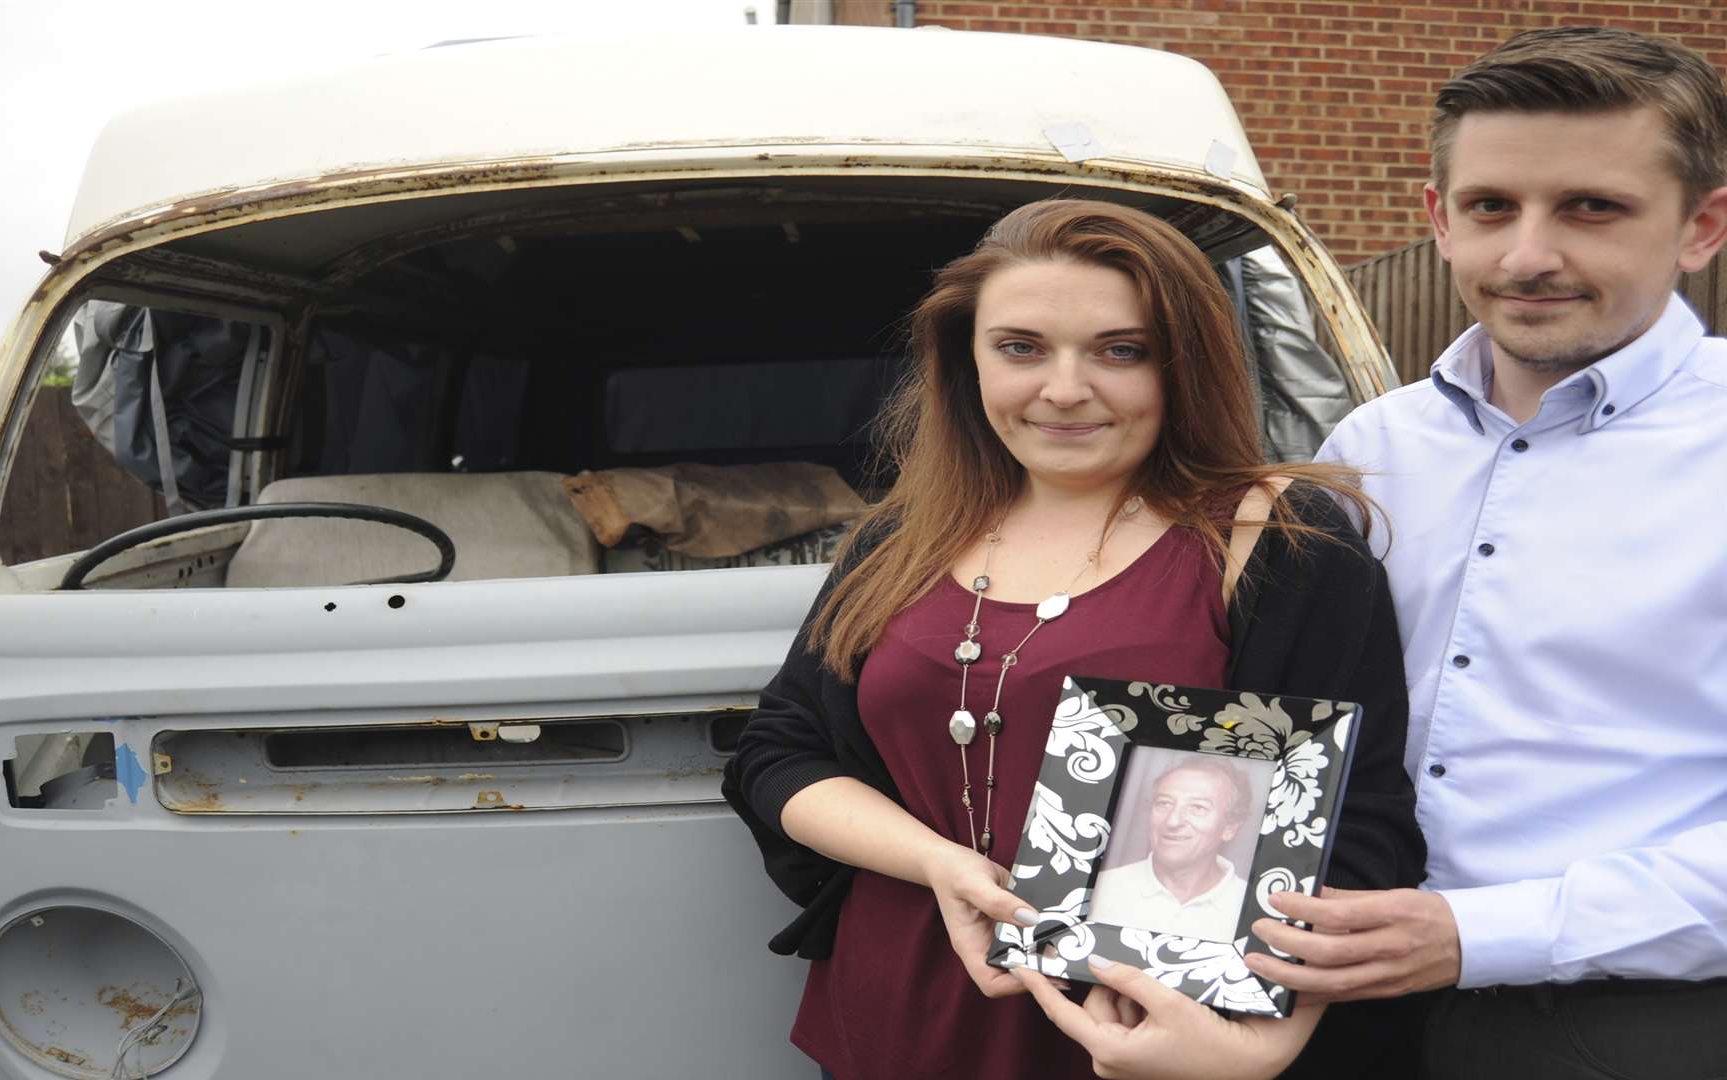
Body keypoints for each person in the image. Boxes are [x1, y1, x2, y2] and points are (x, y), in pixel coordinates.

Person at [722, 199, 1426, 1080]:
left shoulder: (1270, 539)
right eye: (1020, 348)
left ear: (1187, 365)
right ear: (965, 359)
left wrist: (1259, 1044)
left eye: (1119, 350)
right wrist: (940, 864)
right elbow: (778, 752)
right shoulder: (896, 542)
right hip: (891, 1019)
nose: (1062, 389)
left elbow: (1351, 831)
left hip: (1145, 1038)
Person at [1243, 26, 1727, 1080]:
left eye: (1591, 207)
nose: (1528, 255)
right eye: (1491, 207)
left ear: (1702, 227)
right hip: (1343, 1003)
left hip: (1642, 1025)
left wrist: (1483, 932)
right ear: (1439, 220)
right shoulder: (1370, 450)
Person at [1087, 756, 1256, 942]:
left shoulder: (1254, 910)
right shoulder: (1101, 890)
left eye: (1198, 807)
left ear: (1230, 827)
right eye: (1164, 803)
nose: (1173, 821)